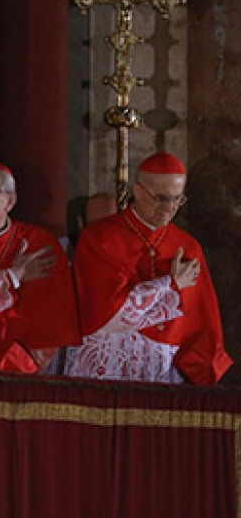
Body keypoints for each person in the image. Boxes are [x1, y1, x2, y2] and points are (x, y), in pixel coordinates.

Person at [66, 152, 232, 385]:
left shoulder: (187, 246)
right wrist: (169, 285)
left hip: (163, 370)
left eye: (177, 199)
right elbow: (107, 316)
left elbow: (201, 320)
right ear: (138, 190)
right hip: (107, 365)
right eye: (161, 198)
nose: (170, 208)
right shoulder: (100, 238)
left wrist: (204, 372)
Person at [0, 162, 80, 374]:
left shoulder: (38, 241)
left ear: (10, 201)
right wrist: (12, 278)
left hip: (21, 366)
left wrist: (23, 365)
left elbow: (51, 316)